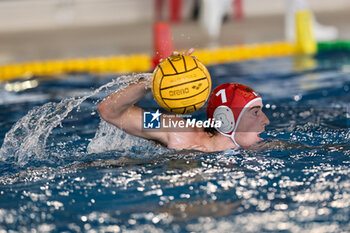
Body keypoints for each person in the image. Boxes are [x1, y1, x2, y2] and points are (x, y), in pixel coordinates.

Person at [97, 50, 269, 152]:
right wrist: (155, 80)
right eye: (255, 113)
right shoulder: (177, 129)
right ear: (227, 119)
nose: (265, 121)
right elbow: (109, 111)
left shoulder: (267, 147)